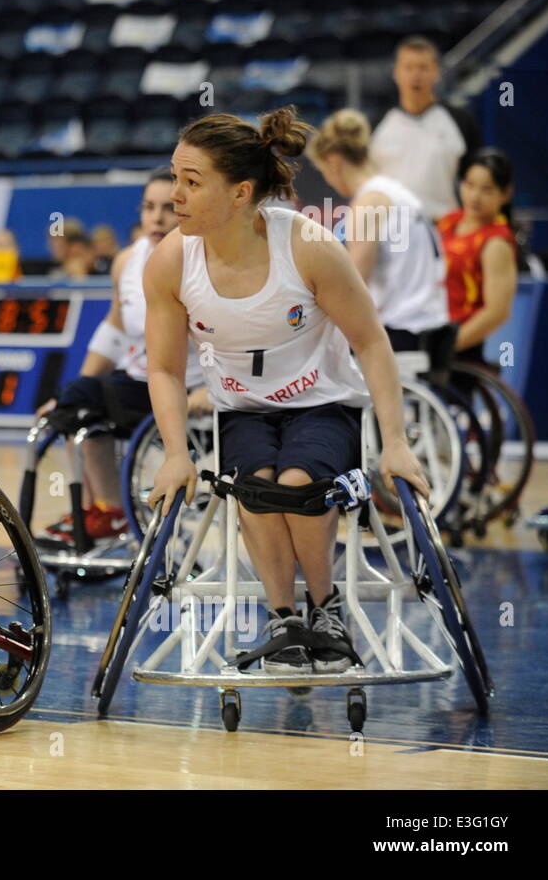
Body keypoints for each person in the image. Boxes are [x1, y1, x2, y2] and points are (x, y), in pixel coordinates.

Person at [146, 107, 429, 674]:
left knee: (300, 484)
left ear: (240, 192)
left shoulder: (308, 246)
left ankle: (324, 608)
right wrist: (176, 455)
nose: (175, 194)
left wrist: (395, 442)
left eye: (191, 181)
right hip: (243, 413)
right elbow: (166, 371)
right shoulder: (171, 261)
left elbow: (372, 344)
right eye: (175, 177)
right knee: (257, 488)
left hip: (323, 405)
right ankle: (284, 619)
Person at [38, 166, 208, 544]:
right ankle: (109, 512)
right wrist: (72, 391)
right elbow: (114, 330)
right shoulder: (126, 261)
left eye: (167, 207)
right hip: (142, 384)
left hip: (194, 390)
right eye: (149, 207)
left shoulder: (203, 257)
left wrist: (213, 390)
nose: (157, 217)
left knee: (83, 397)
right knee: (77, 406)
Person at [308, 109, 453, 369]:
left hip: (402, 328)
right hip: (432, 322)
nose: (329, 182)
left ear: (334, 161)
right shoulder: (396, 191)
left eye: (324, 172)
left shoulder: (369, 202)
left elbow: (354, 283)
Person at [370, 36, 483, 221]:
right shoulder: (377, 125)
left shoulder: (460, 122)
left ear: (436, 73)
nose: (416, 75)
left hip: (445, 228)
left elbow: (477, 180)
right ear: (396, 73)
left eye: (423, 68)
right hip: (392, 230)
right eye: (408, 67)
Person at [438, 149, 518, 366]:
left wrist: (448, 347)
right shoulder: (448, 222)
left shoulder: (496, 243)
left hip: (460, 348)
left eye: (487, 190)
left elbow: (497, 312)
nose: (474, 196)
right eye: (469, 185)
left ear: (505, 194)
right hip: (429, 329)